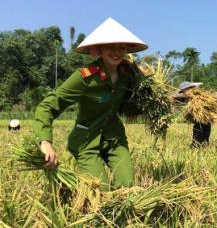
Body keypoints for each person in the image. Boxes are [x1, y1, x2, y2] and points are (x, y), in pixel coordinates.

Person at [33, 17, 148, 189]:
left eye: (122, 47)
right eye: (111, 47)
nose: (117, 52)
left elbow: (131, 104)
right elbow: (47, 106)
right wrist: (45, 142)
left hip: (114, 138)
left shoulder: (129, 75)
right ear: (99, 49)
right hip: (86, 141)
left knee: (127, 185)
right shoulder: (85, 77)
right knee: (101, 188)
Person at [177, 81, 212, 148]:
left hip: (202, 124)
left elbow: (203, 111)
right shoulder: (191, 99)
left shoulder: (198, 98)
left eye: (184, 92)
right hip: (199, 124)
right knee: (200, 143)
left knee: (198, 144)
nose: (184, 94)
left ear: (188, 89)